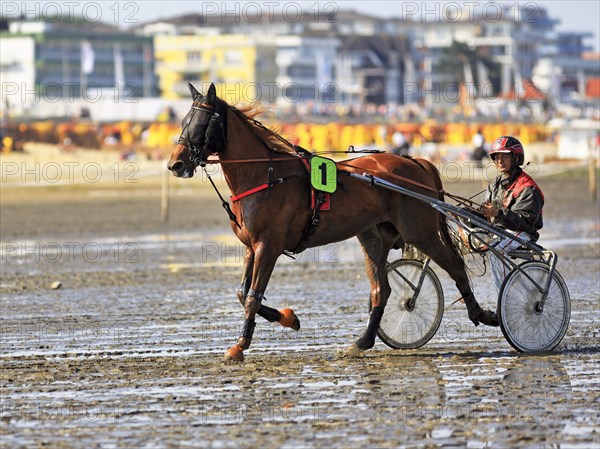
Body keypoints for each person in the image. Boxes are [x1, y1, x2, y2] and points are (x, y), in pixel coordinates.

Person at [482, 136, 544, 291]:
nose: (499, 161)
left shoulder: (528, 188)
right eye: (496, 157)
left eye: (504, 156)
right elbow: (485, 212)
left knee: (496, 249)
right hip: (500, 231)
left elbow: (523, 222)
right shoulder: (495, 184)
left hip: (523, 233)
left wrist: (497, 213)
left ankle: (505, 301)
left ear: (516, 158)